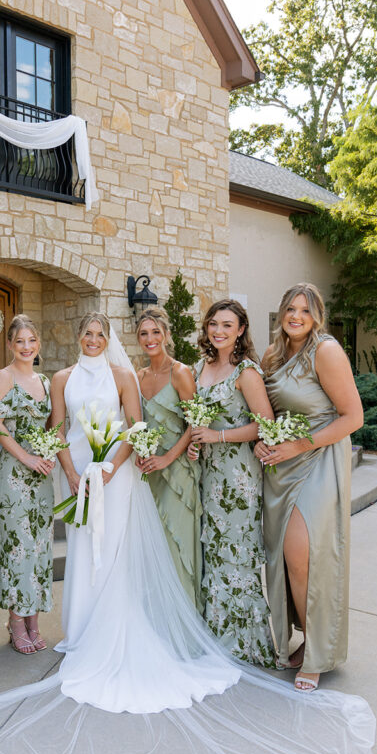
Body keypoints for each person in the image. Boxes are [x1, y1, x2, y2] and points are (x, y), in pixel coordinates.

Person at [0, 313, 374, 754]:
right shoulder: (59, 379)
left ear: (112, 341)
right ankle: (80, 629)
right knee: (88, 553)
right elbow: (59, 428)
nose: (93, 340)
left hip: (127, 474)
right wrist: (73, 471)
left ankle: (242, 640)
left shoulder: (136, 375)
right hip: (82, 475)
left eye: (100, 334)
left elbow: (138, 426)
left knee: (140, 555)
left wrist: (125, 465)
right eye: (87, 334)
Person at [256, 284, 363, 692]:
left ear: (317, 315)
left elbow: (353, 417)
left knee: (303, 556)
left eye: (305, 310)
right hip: (279, 465)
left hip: (318, 459)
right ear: (281, 312)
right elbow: (267, 412)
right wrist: (262, 440)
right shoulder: (272, 354)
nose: (296, 316)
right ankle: (302, 639)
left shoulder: (327, 351)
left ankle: (318, 652)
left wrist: (298, 445)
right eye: (290, 309)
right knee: (284, 560)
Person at [188, 300, 276, 667]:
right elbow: (195, 422)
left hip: (238, 478)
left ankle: (243, 642)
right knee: (212, 551)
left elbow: (265, 424)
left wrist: (218, 437)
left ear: (241, 330)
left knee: (236, 552)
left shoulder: (246, 372)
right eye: (213, 324)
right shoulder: (199, 367)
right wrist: (195, 442)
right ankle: (214, 635)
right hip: (206, 475)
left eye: (227, 325)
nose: (219, 331)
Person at [0, 315, 55, 654]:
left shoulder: (44, 379)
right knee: (18, 546)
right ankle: (15, 620)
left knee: (40, 546)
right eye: (20, 341)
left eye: (32, 341)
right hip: (14, 473)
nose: (26, 347)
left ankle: (34, 619)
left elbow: (51, 426)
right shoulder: (5, 376)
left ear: (38, 344)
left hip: (42, 473)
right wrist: (26, 457)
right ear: (10, 345)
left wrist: (49, 452)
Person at [135, 308, 203, 610]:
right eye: (144, 333)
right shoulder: (139, 376)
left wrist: (167, 460)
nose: (150, 339)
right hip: (148, 473)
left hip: (177, 471)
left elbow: (195, 423)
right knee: (154, 546)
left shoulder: (181, 372)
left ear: (166, 335)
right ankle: (158, 620)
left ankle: (184, 622)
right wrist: (141, 451)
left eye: (155, 332)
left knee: (177, 544)